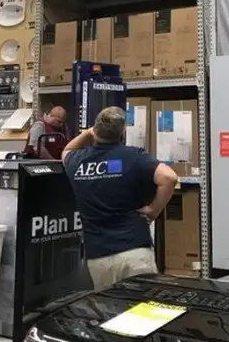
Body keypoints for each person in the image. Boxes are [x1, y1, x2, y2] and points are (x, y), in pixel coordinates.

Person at [62, 106, 178, 291]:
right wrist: (153, 210)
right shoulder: (135, 156)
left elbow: (66, 150)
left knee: (111, 307)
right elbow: (169, 178)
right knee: (143, 306)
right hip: (134, 250)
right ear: (122, 132)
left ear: (96, 130)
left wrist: (88, 133)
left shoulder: (77, 160)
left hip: (99, 256)